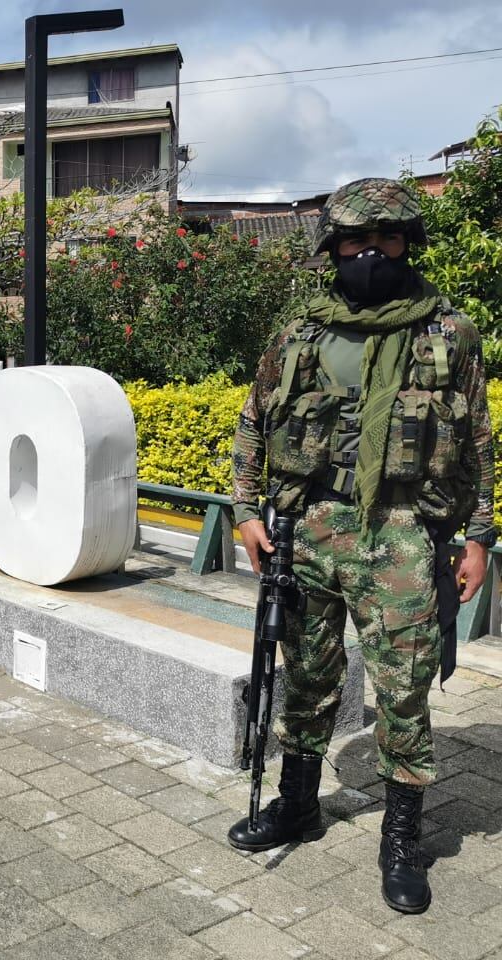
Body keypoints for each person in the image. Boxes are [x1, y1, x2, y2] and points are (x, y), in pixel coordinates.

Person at [227, 178, 496, 914]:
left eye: (387, 239)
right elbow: (253, 422)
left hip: (404, 534)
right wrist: (246, 510)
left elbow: (477, 439)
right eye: (354, 240)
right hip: (307, 528)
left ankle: (403, 840)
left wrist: (478, 537)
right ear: (332, 248)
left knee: (403, 690)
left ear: (410, 244)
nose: (370, 253)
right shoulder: (300, 332)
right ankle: (299, 804)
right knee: (309, 676)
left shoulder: (450, 332)